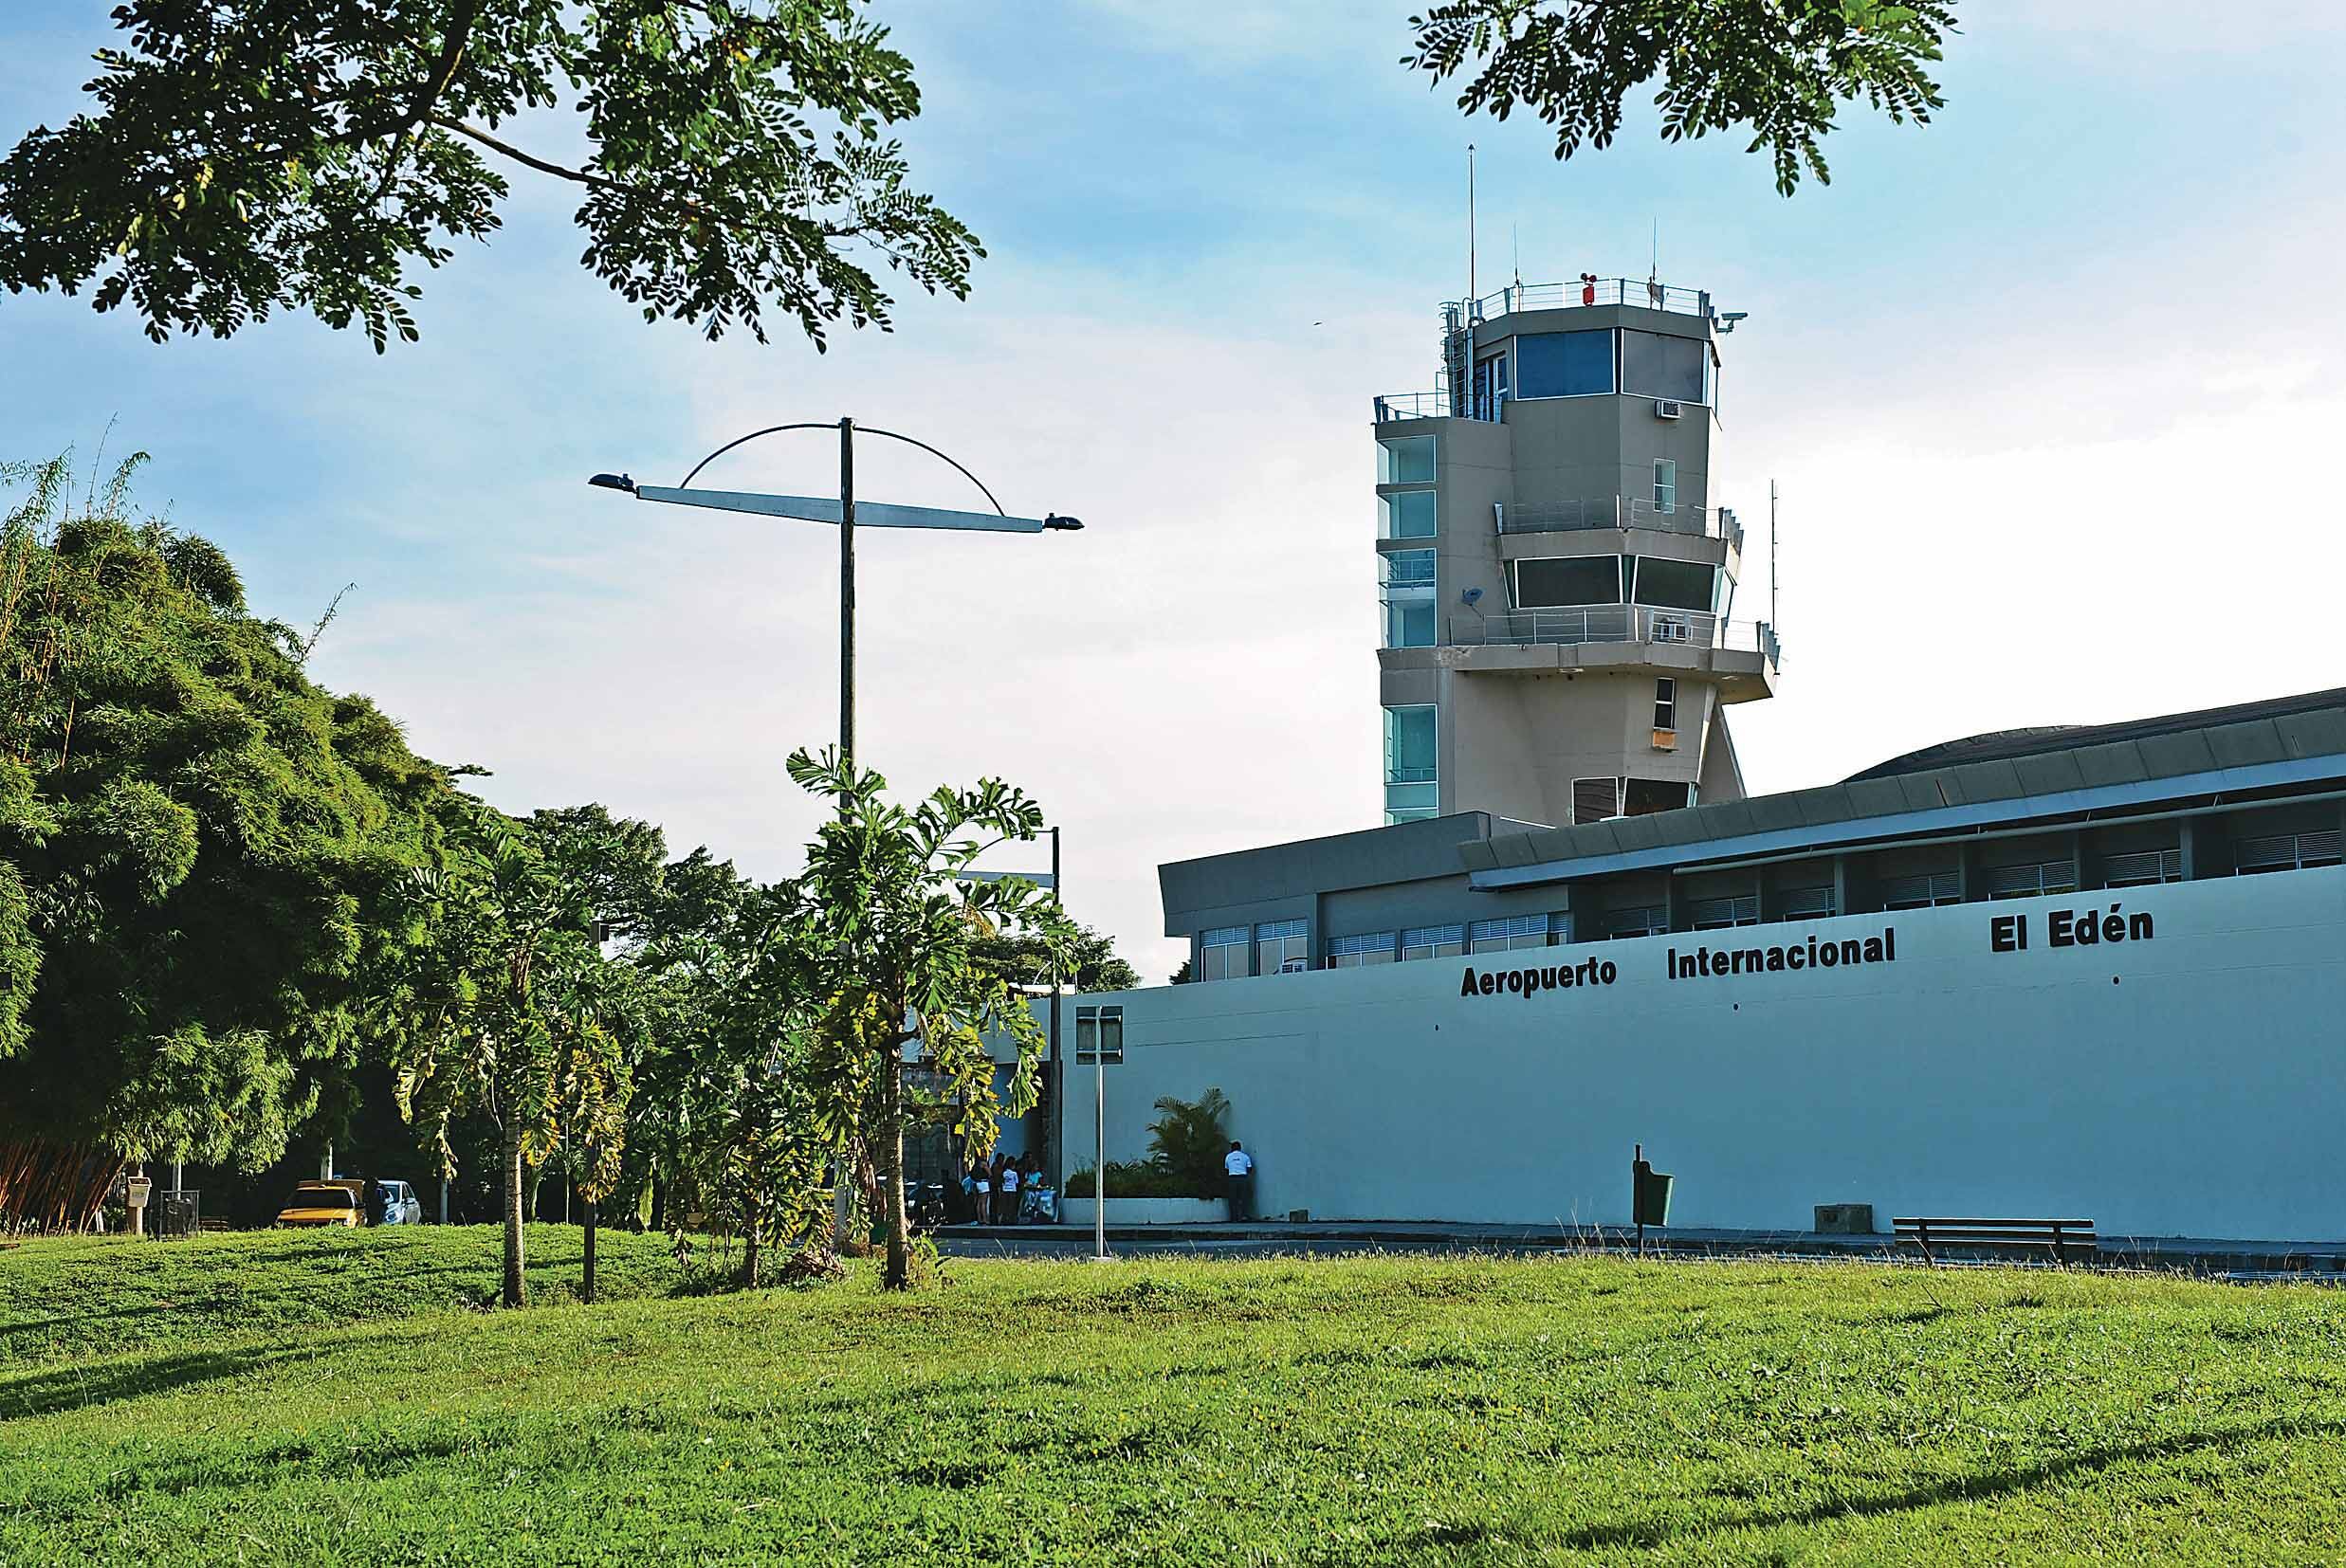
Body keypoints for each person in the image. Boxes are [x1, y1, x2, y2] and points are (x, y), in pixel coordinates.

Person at [1223, 1140, 1255, 1223]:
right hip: (1243, 1178)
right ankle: (1244, 1216)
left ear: (1232, 1148)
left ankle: (1234, 1218)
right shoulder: (1245, 1156)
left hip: (1232, 1178)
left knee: (1233, 1199)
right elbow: (1249, 1169)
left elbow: (1226, 1169)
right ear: (1240, 1148)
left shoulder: (1228, 1157)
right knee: (1244, 1198)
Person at [998, 1156, 1021, 1225]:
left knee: (1005, 1205)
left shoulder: (1004, 1173)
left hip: (1005, 1190)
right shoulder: (1014, 1173)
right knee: (1012, 1205)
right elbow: (1017, 1182)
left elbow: (1002, 1181)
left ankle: (1004, 1219)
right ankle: (1011, 1219)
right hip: (1012, 1190)